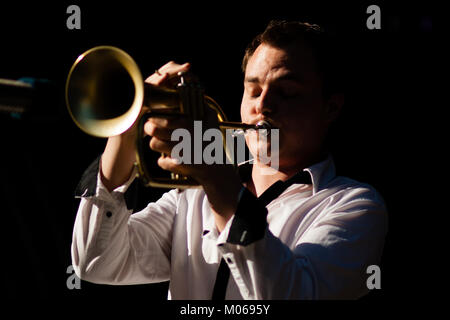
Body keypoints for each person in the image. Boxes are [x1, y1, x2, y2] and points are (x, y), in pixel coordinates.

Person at [71, 20, 388, 299]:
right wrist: (127, 126)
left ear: (330, 108)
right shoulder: (193, 197)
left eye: (287, 92)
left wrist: (218, 182)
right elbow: (95, 263)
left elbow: (292, 294)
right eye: (253, 90)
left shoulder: (355, 205)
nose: (263, 106)